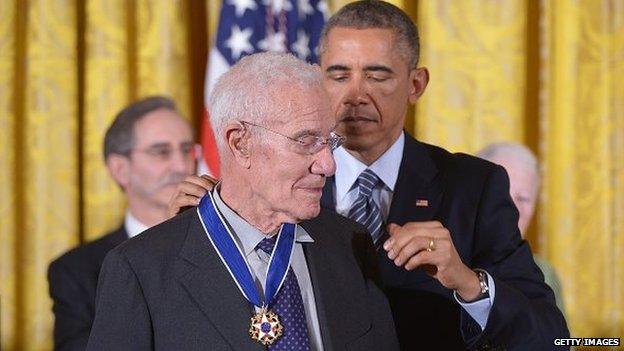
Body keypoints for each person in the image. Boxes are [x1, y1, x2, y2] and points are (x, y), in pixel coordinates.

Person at [169, 1, 569, 350]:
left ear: (416, 84)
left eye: (377, 75)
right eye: (339, 75)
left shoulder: (474, 187)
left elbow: (553, 337)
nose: (355, 95)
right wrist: (200, 232)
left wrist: (468, 283)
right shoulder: (267, 188)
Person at [86, 52, 398, 351]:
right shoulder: (141, 269)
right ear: (240, 143)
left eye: (329, 141)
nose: (328, 165)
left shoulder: (349, 242)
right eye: (306, 141)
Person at [47, 96, 196, 351]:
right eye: (161, 152)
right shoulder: (76, 271)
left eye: (186, 150)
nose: (181, 166)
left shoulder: (227, 247)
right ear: (119, 169)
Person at [477, 142, 567, 316]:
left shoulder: (544, 273)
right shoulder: (444, 263)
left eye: (523, 198)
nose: (511, 208)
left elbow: (561, 342)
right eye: (502, 194)